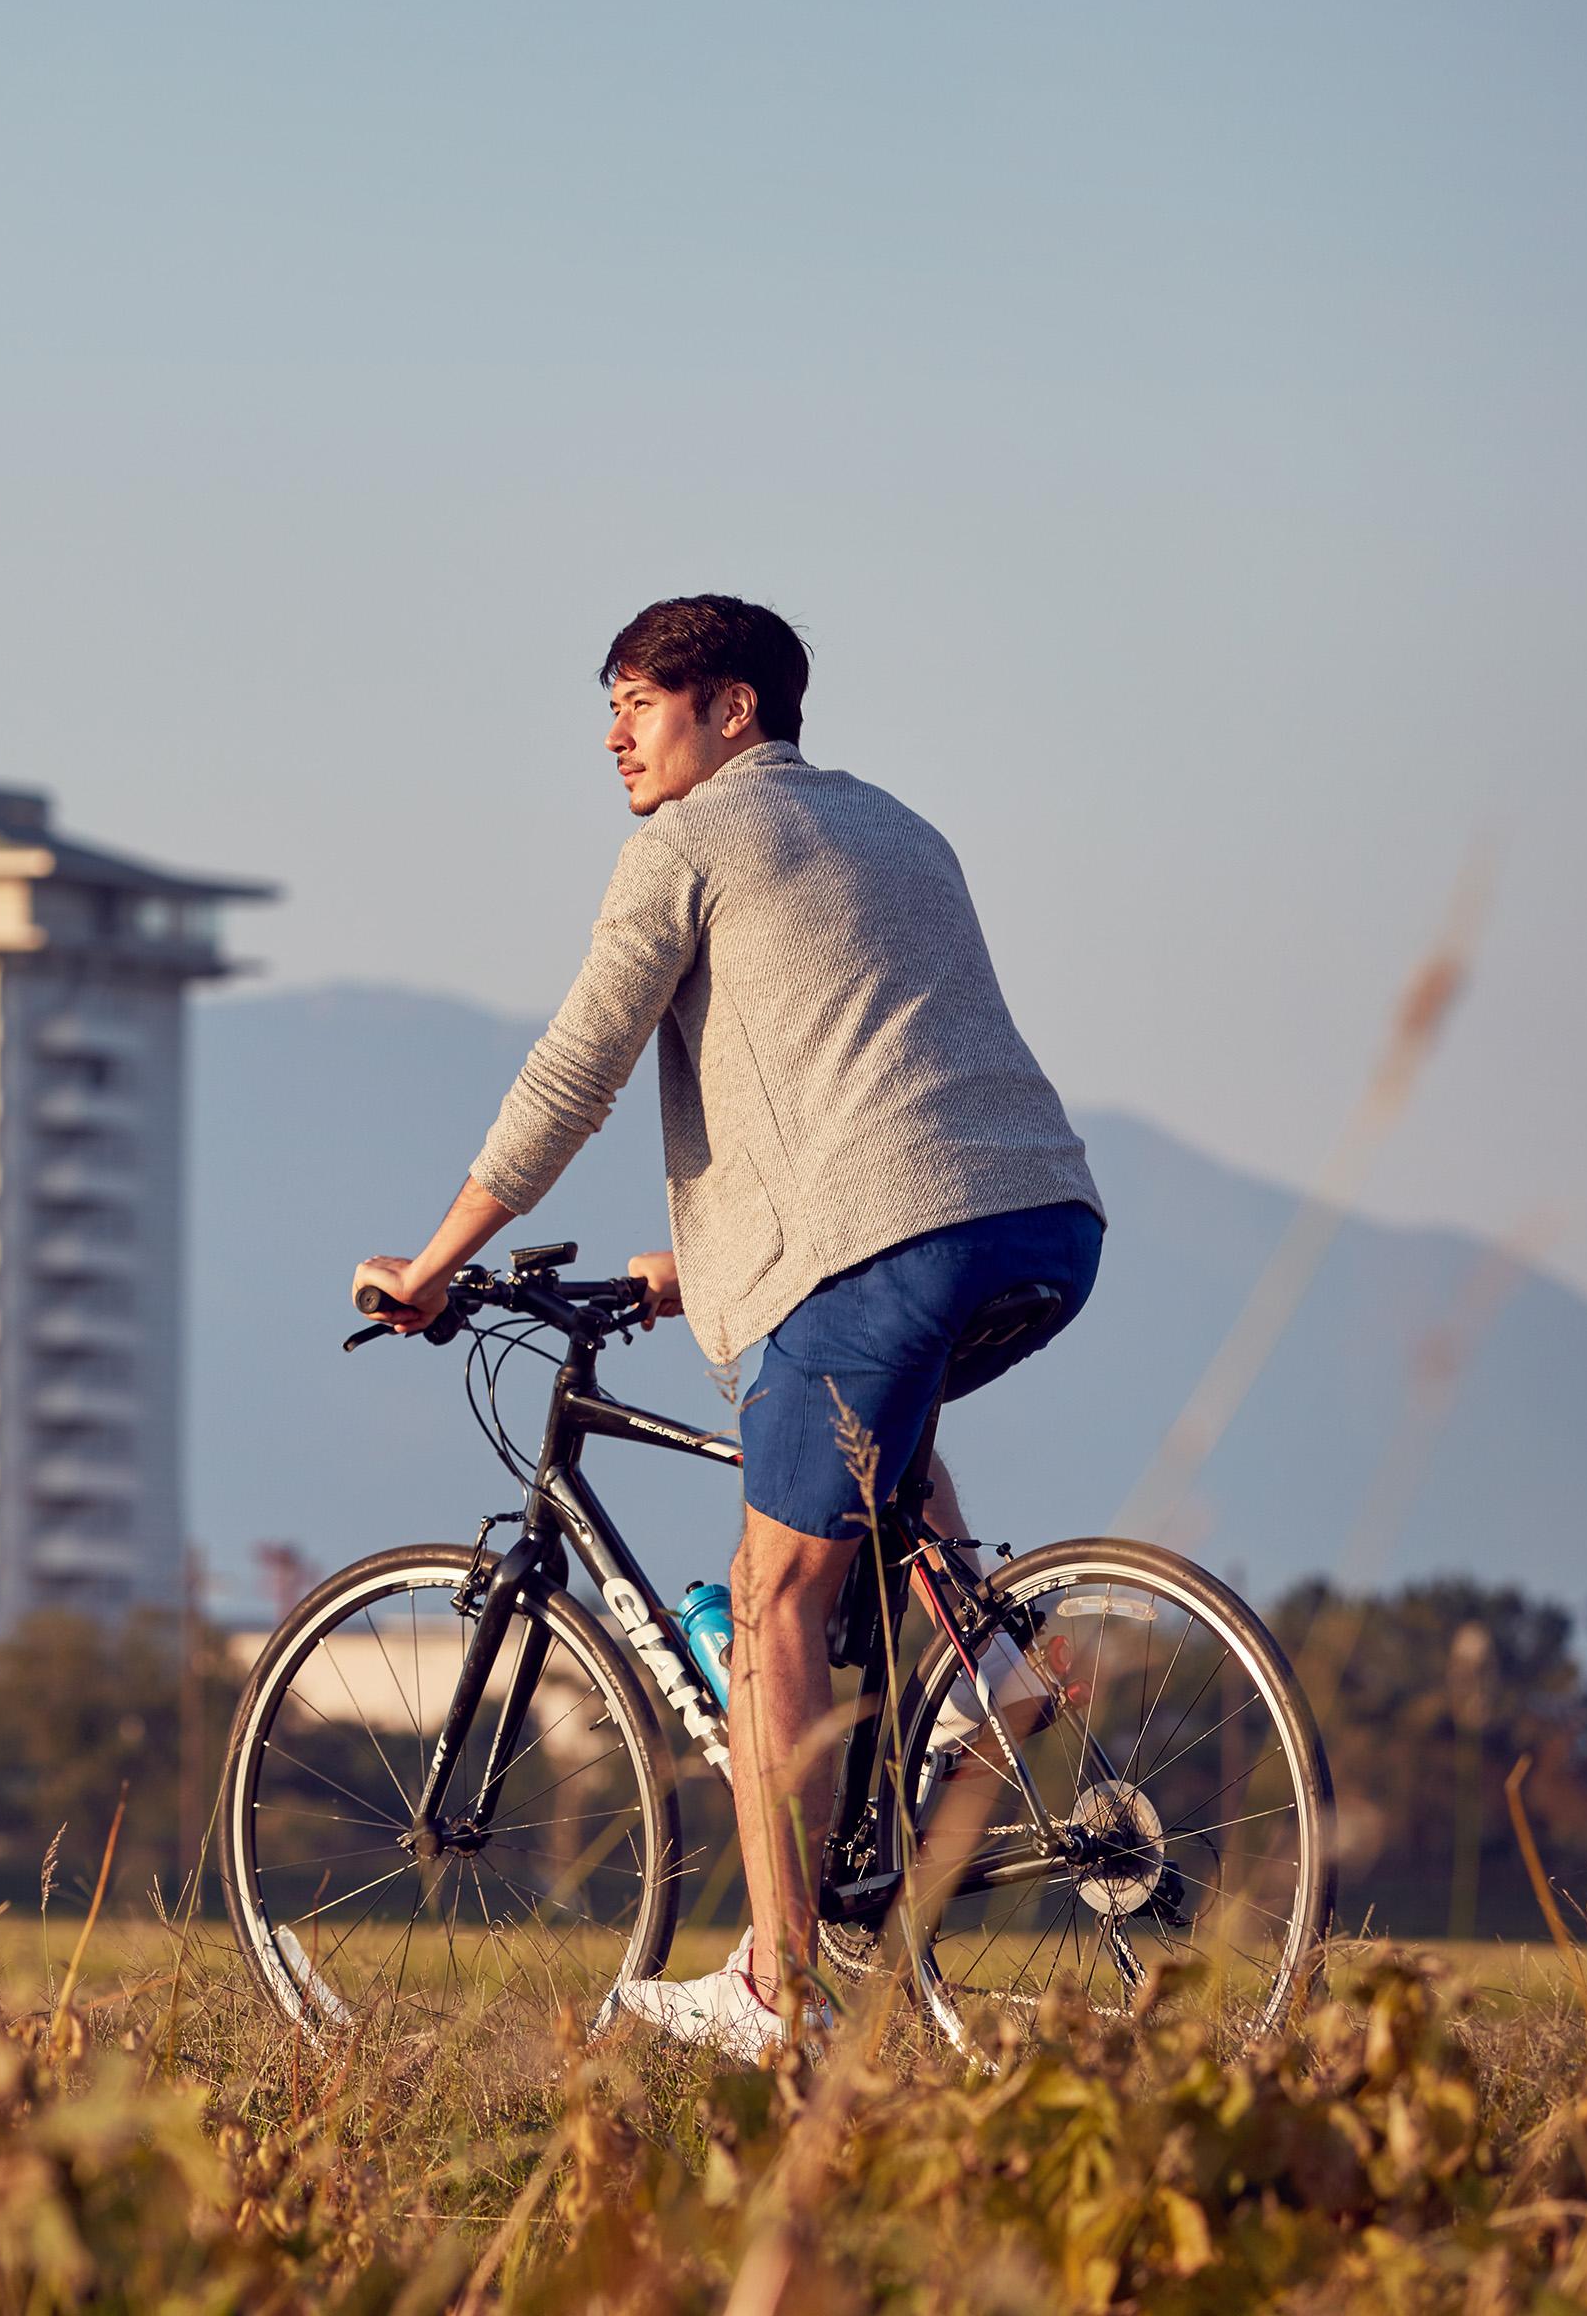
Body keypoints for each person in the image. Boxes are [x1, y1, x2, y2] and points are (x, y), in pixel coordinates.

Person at [355, 595, 1105, 2061]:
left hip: (884, 1237)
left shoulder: (687, 843)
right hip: (1040, 1217)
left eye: (643, 699)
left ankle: (780, 1991)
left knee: (772, 1601)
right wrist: (691, 1263)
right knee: (873, 1462)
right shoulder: (896, 829)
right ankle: (986, 1663)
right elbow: (872, 1091)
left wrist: (439, 1263)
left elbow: (576, 1072)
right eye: (612, 704)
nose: (615, 733)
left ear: (736, 710)